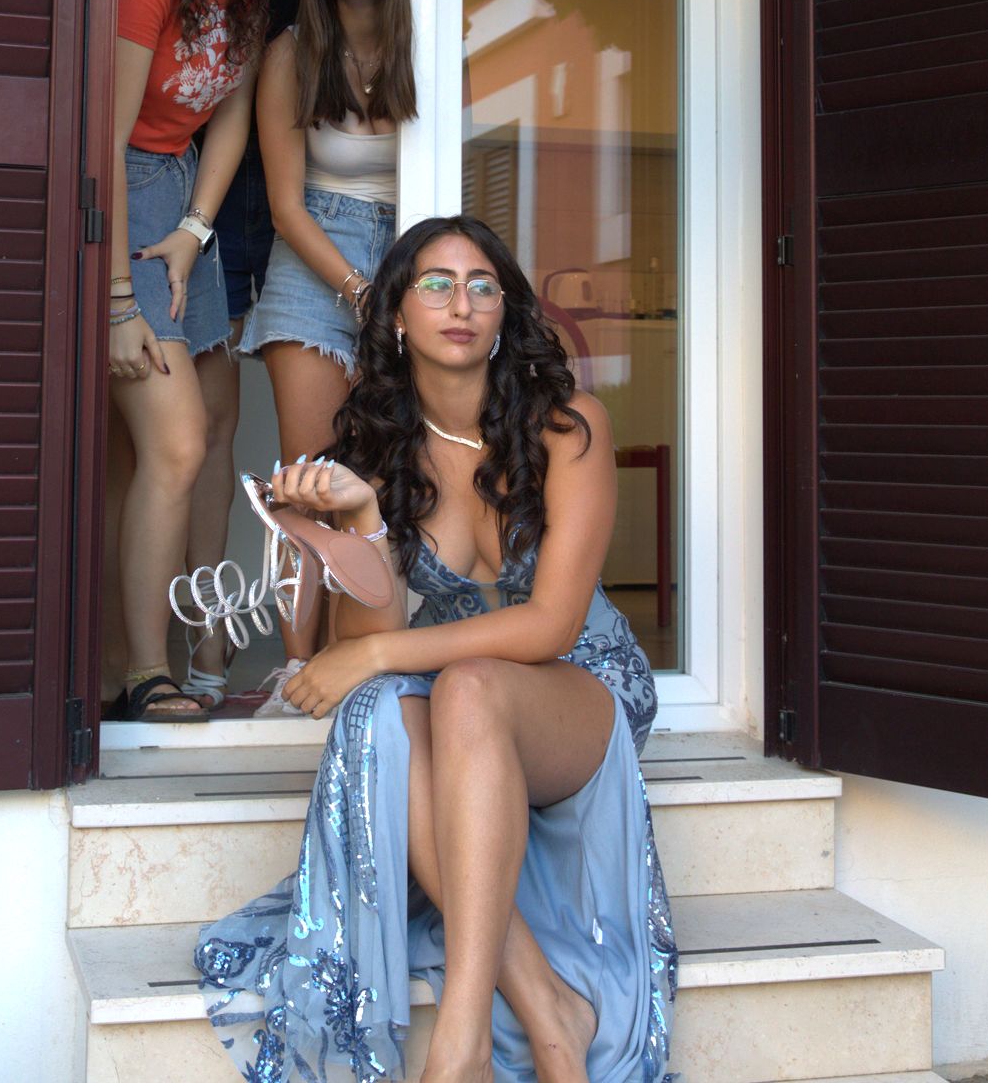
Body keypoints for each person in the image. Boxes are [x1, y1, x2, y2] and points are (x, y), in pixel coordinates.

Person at [196, 217, 676, 1083]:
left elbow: (551, 626)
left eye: (482, 286)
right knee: (387, 713)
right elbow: (360, 641)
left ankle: (460, 1042)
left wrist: (380, 658)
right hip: (463, 691)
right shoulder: (374, 454)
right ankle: (547, 1009)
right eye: (437, 285)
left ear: (505, 314)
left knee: (459, 687)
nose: (462, 304)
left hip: (579, 687)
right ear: (396, 315)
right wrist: (361, 523)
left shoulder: (570, 429)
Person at [105, 0, 272, 723]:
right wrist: (114, 300)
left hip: (181, 195)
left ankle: (126, 657)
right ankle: (144, 671)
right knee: (171, 442)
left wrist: (195, 228)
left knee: (189, 437)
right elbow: (103, 137)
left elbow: (233, 112)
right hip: (122, 185)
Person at [234, 0, 416, 716]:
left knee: (382, 477)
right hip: (315, 262)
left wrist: (404, 289)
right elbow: (284, 205)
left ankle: (361, 659)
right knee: (306, 485)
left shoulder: (428, 42)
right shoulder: (290, 54)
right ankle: (297, 670)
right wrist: (357, 291)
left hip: (408, 257)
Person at [179, 0, 336, 710]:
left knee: (308, 450)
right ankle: (203, 648)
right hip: (208, 206)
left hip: (298, 216)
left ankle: (319, 650)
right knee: (205, 434)